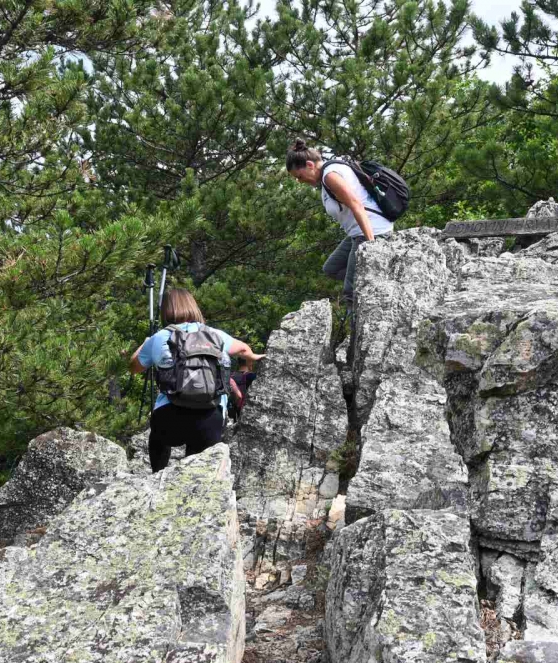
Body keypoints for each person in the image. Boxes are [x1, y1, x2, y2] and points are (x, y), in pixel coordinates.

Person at [129, 288, 265, 472]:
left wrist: (146, 343)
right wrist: (254, 356)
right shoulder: (214, 334)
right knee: (196, 466)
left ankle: (158, 474)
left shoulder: (159, 337)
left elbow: (134, 367)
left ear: (165, 311)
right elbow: (243, 350)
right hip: (210, 416)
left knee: (158, 438)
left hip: (170, 417)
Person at [286, 139, 393, 307]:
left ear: (310, 165)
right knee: (332, 268)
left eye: (299, 176)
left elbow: (357, 205)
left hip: (372, 231)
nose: (300, 181)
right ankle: (375, 277)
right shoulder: (326, 176)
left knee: (351, 291)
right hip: (357, 233)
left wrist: (371, 246)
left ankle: (360, 318)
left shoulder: (330, 176)